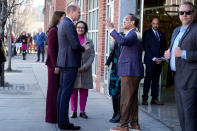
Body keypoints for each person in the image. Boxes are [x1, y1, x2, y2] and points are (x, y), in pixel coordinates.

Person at [107, 13, 144, 131]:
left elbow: (122, 41)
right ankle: (134, 124)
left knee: (125, 99)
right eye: (123, 20)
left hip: (130, 71)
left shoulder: (133, 33)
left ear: (133, 22)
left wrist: (111, 29)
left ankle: (123, 126)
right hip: (132, 70)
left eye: (126, 20)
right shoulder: (135, 34)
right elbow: (124, 42)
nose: (123, 22)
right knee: (132, 99)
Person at [164, 2, 197, 131]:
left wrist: (183, 53)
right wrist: (168, 56)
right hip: (177, 78)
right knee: (182, 115)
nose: (184, 15)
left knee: (190, 115)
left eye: (188, 12)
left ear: (193, 13)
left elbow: (180, 53)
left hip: (190, 79)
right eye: (181, 13)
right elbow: (173, 51)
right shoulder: (176, 30)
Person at [56, 4, 89, 130]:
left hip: (65, 62)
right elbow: (75, 45)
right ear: (72, 11)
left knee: (62, 92)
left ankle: (61, 121)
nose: (80, 14)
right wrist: (84, 48)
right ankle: (64, 123)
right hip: (69, 63)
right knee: (65, 93)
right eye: (78, 12)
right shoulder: (68, 24)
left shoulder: (64, 23)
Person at [70, 21, 95, 119]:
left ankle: (82, 111)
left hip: (85, 71)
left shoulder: (89, 41)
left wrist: (84, 66)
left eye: (82, 28)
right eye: (78, 27)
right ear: (75, 29)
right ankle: (74, 111)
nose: (80, 29)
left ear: (85, 29)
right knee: (73, 92)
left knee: (84, 93)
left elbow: (92, 56)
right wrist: (74, 66)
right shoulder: (72, 40)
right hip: (74, 70)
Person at [45, 11, 65, 124]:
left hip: (57, 65)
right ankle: (51, 117)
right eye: (63, 17)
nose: (64, 19)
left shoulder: (59, 30)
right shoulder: (53, 31)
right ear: (58, 18)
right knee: (53, 92)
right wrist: (55, 65)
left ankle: (56, 115)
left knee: (57, 91)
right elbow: (51, 50)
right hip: (53, 66)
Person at [142, 18, 167, 105]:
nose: (155, 25)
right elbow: (146, 47)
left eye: (157, 24)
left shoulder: (162, 34)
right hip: (150, 61)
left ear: (159, 24)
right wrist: (154, 58)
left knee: (156, 81)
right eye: (154, 24)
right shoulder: (147, 33)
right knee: (148, 80)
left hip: (159, 61)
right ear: (151, 24)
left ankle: (154, 99)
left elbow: (165, 48)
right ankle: (144, 98)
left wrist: (162, 58)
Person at [105, 31, 124, 123]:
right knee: (113, 92)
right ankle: (115, 112)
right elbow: (113, 52)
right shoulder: (118, 37)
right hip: (114, 69)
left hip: (122, 70)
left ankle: (120, 114)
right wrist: (107, 63)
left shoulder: (126, 38)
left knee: (119, 93)